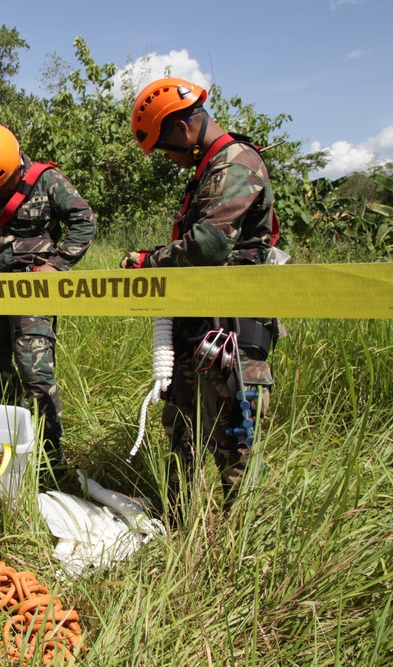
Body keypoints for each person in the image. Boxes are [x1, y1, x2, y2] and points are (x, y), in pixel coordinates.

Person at [122, 77, 281, 512]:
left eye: (164, 149)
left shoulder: (236, 163)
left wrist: (148, 262)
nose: (168, 160)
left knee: (235, 444)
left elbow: (209, 244)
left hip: (232, 333)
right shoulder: (208, 171)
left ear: (184, 131)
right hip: (199, 326)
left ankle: (240, 551)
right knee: (182, 434)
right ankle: (180, 529)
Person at [0, 124, 96, 486]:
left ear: (16, 164)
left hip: (33, 291)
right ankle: (12, 434)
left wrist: (57, 264)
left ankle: (50, 456)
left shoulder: (48, 181)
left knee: (35, 370)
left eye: (3, 183)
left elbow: (84, 220)